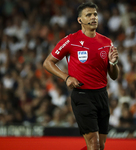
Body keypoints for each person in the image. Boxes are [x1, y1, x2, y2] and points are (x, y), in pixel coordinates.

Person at [43, 2, 119, 150]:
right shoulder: (71, 40)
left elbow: (114, 76)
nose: (93, 17)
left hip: (102, 96)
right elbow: (48, 63)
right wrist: (66, 77)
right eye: (89, 15)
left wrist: (114, 63)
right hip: (82, 95)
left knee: (100, 146)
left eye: (95, 14)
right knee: (94, 145)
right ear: (80, 20)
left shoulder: (106, 42)